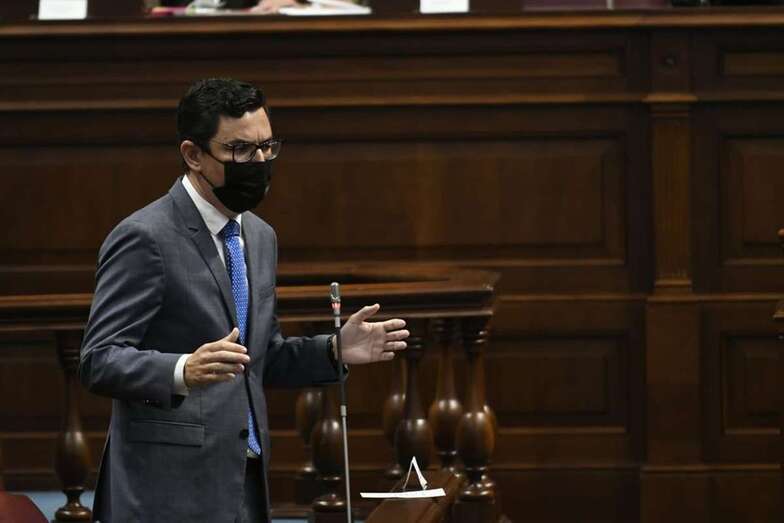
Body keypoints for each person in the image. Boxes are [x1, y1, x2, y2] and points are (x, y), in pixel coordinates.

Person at [78, 78, 409, 522]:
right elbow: (98, 359)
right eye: (240, 151)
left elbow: (259, 357)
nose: (259, 163)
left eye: (267, 147)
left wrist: (333, 351)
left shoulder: (257, 235)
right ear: (193, 155)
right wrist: (181, 370)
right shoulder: (146, 237)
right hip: (164, 492)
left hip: (243, 479)